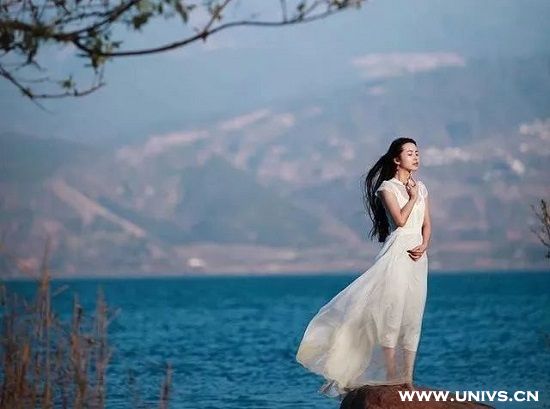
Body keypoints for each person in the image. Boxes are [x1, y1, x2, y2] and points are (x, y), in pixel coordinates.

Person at [295, 137, 431, 399]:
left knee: (413, 317)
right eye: (410, 153)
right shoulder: (386, 188)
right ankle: (392, 377)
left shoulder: (422, 188)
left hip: (418, 258)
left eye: (417, 152)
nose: (416, 157)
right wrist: (412, 197)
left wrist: (424, 244)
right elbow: (401, 221)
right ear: (396, 159)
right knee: (392, 317)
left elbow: (427, 224)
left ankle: (407, 379)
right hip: (397, 254)